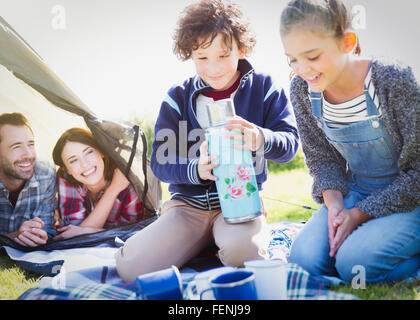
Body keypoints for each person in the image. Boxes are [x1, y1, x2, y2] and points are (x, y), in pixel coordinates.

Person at [115, 0, 299, 283]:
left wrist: (259, 137)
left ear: (241, 48)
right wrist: (195, 169)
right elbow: (160, 162)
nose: (214, 68)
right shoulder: (177, 97)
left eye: (223, 55)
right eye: (202, 57)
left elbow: (290, 143)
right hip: (188, 207)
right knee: (131, 269)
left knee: (245, 253)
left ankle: (223, 242)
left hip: (241, 205)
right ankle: (202, 241)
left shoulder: (264, 88)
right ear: (190, 54)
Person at [279, 0, 420, 283]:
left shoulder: (392, 81)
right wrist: (335, 207)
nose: (303, 69)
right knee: (304, 260)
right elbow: (322, 159)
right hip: (357, 190)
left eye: (313, 56)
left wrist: (358, 216)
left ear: (347, 42)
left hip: (411, 198)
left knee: (355, 265)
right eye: (292, 59)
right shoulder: (302, 89)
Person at [52, 127, 145, 240]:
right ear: (67, 170)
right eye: (73, 160)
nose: (84, 164)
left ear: (102, 152)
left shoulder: (126, 181)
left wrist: (84, 231)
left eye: (89, 152)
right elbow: (73, 233)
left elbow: (130, 234)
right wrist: (113, 189)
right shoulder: (65, 177)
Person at [0, 112, 57, 247]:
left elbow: (48, 228)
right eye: (17, 146)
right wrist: (13, 237)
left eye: (31, 144)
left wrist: (38, 235)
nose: (29, 154)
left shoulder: (46, 174)